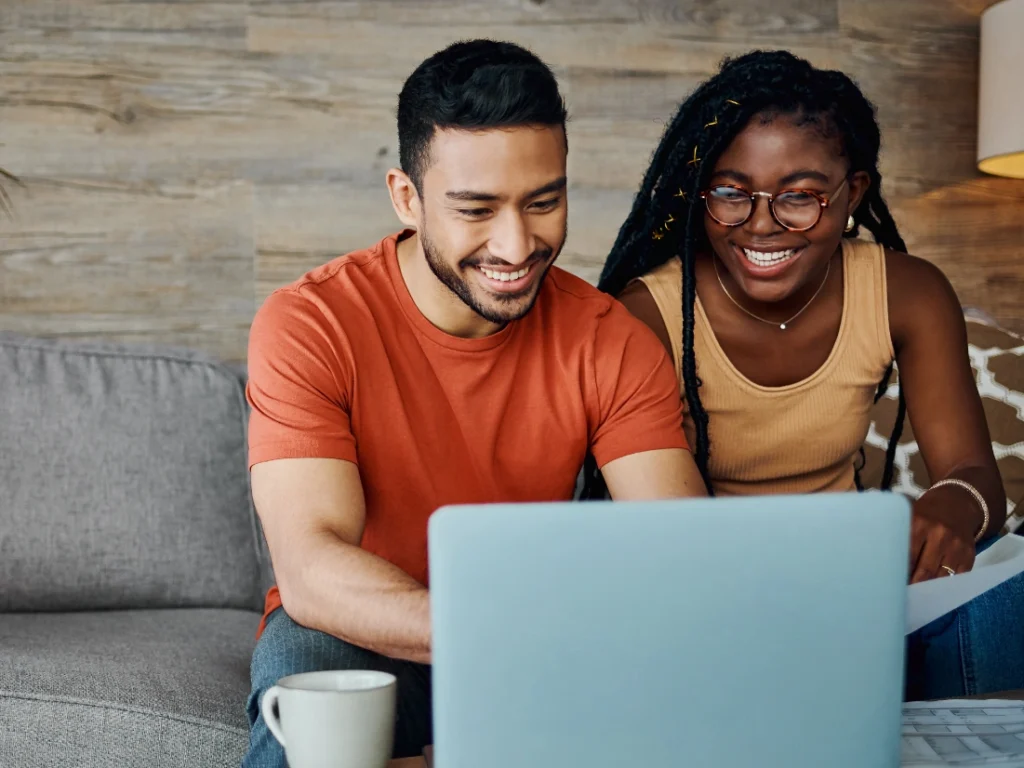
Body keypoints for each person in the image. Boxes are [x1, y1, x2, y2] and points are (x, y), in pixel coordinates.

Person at [241, 39, 706, 766]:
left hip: (540, 640)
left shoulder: (609, 339)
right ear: (406, 197)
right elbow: (312, 567)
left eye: (543, 202)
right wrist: (506, 629)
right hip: (354, 632)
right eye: (476, 209)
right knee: (308, 696)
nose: (517, 245)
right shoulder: (311, 323)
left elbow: (684, 555)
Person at [585, 49, 1022, 700]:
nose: (762, 224)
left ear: (854, 194)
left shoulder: (907, 292)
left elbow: (971, 471)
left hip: (856, 587)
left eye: (802, 197)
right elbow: (660, 533)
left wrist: (947, 511)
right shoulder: (647, 313)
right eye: (731, 193)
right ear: (700, 193)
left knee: (1005, 592)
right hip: (705, 592)